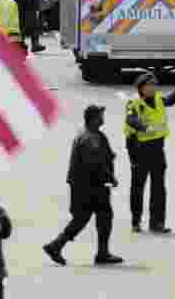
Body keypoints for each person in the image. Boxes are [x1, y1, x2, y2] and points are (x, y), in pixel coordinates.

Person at [42, 104, 124, 267]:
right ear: (94, 119)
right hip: (91, 186)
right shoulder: (90, 138)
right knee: (104, 216)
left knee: (82, 218)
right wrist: (110, 177)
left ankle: (56, 246)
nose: (103, 118)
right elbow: (95, 164)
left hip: (84, 185)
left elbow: (102, 156)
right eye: (101, 115)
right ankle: (102, 253)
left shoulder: (90, 134)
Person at [124, 72, 175, 233]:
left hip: (158, 149)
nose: (152, 88)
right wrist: (144, 127)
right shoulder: (134, 103)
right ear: (141, 88)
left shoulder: (158, 99)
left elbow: (169, 101)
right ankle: (136, 221)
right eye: (148, 86)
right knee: (138, 187)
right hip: (139, 149)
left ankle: (157, 223)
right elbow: (131, 120)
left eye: (154, 85)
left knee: (159, 188)